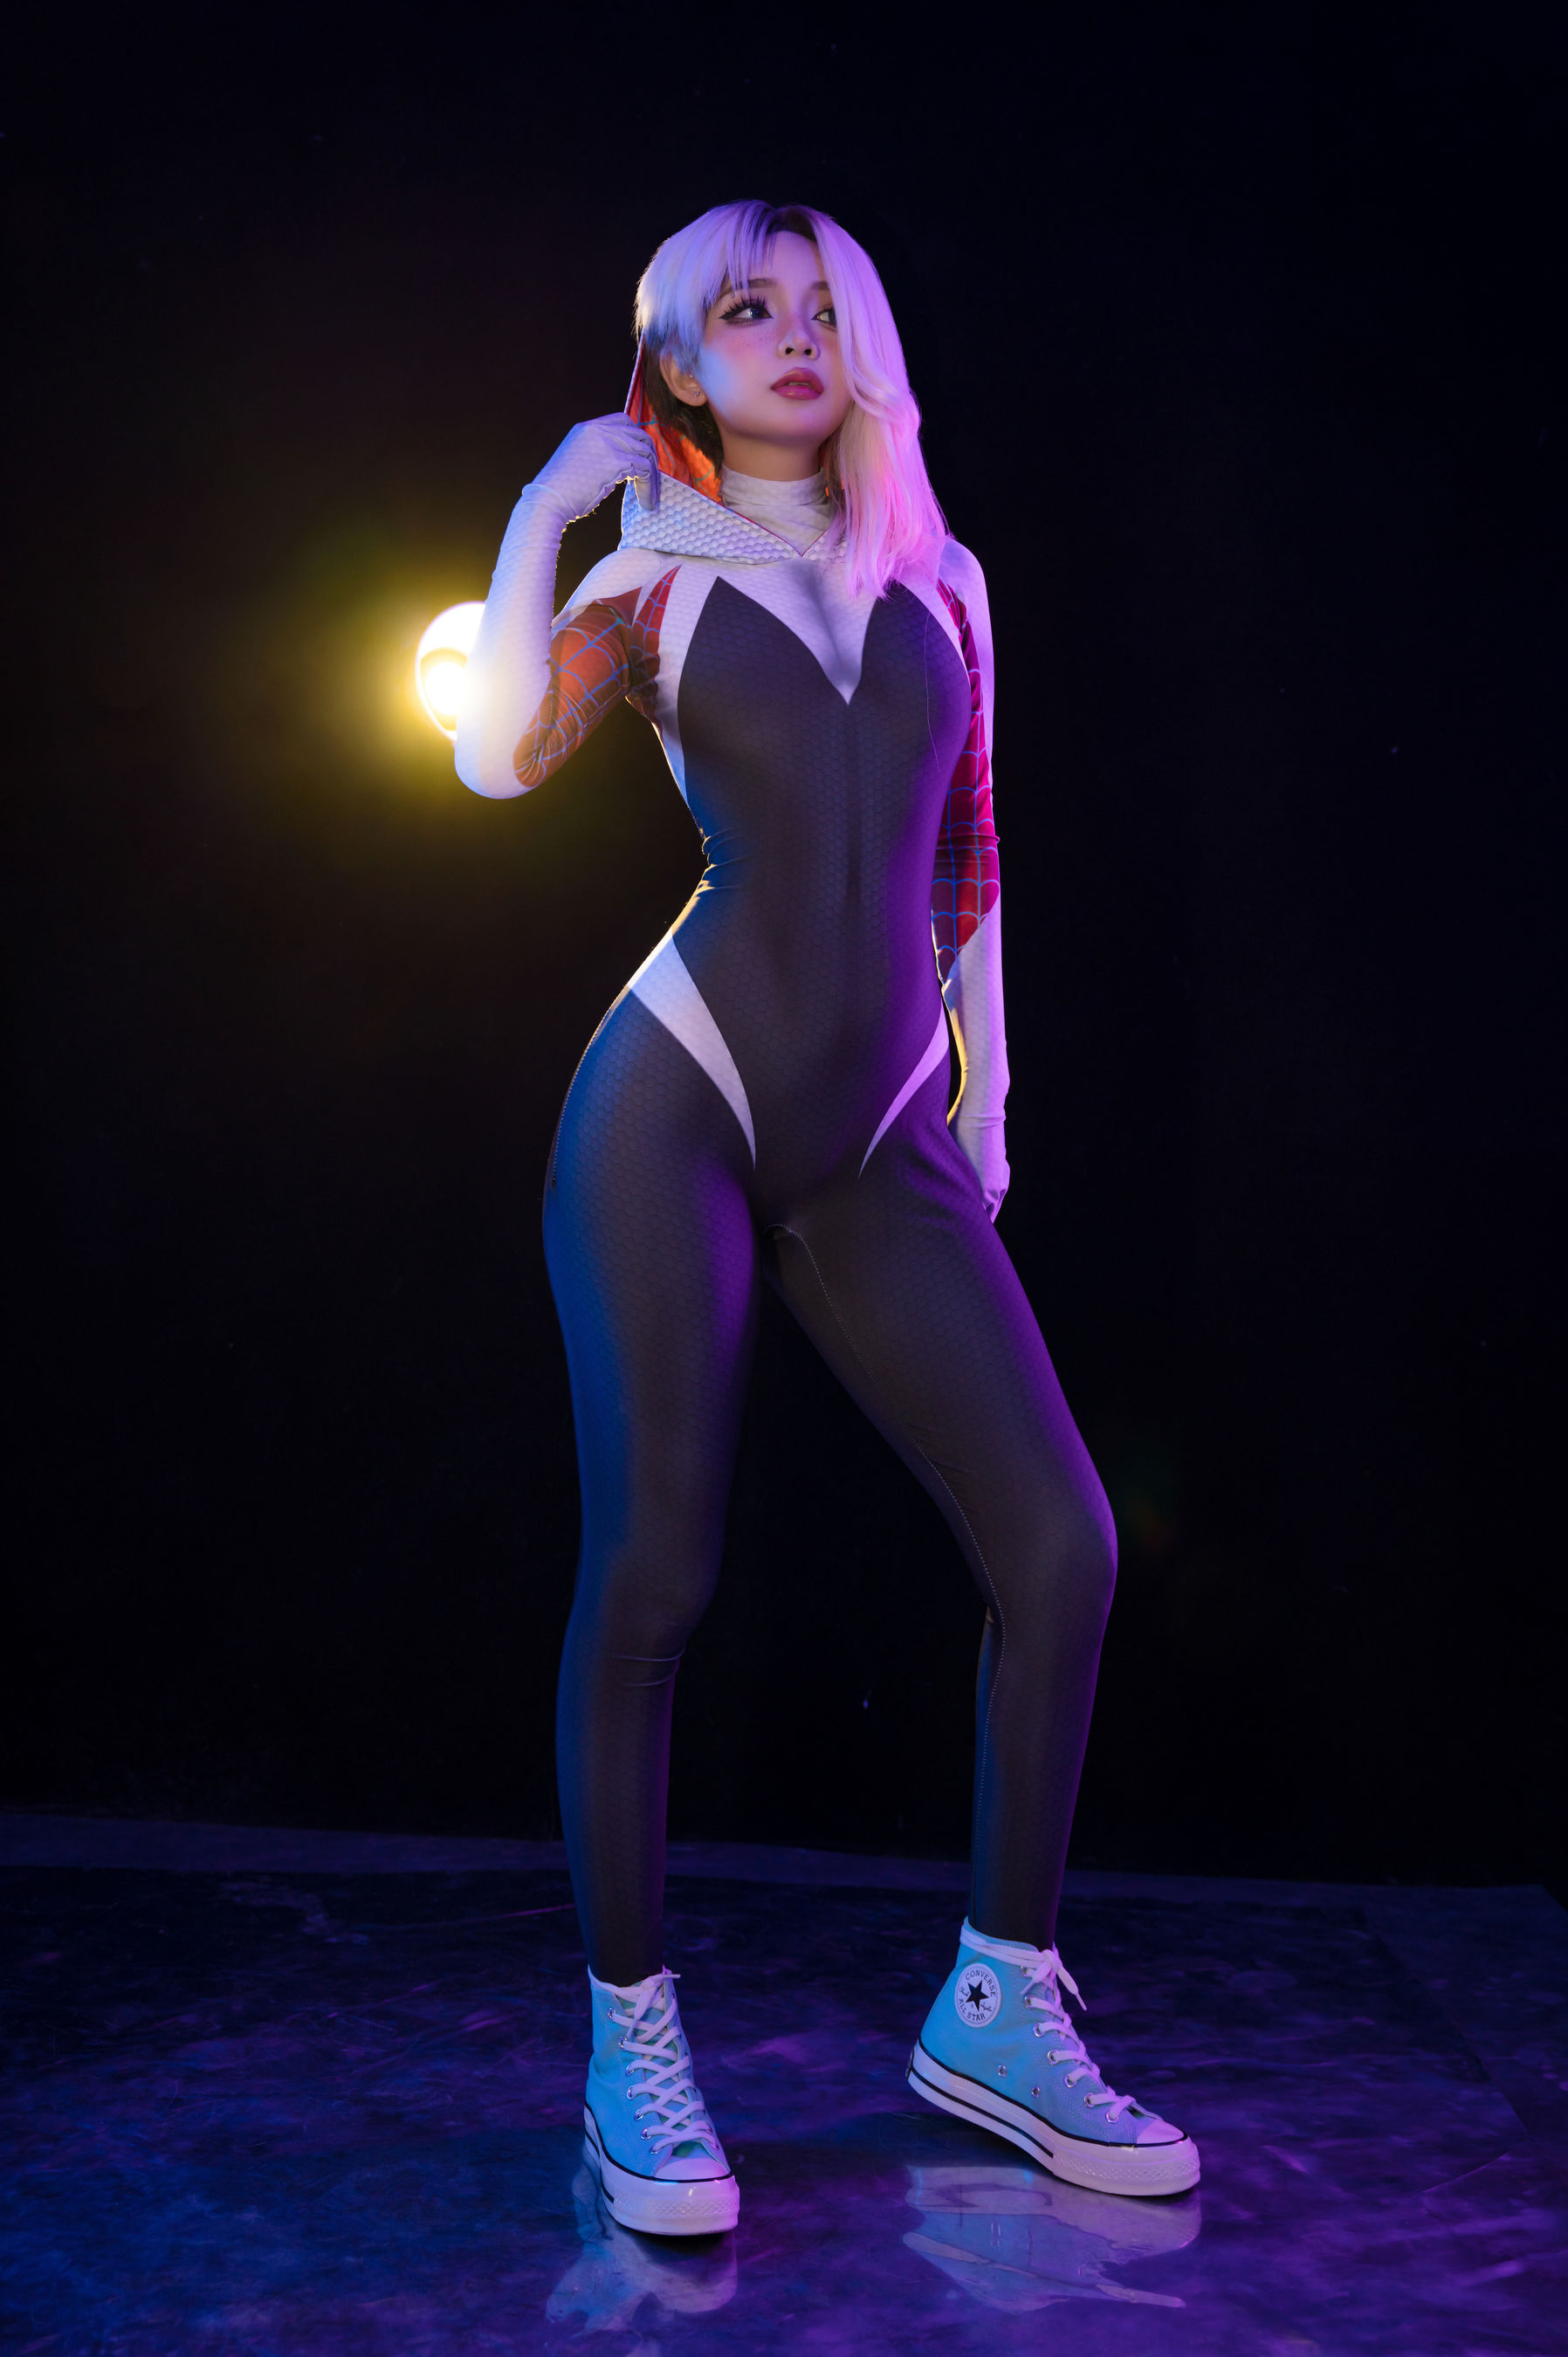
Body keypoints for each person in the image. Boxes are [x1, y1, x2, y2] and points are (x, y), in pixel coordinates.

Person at [455, 200, 1199, 2235]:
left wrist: (991, 1105)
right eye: (741, 311)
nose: (790, 336)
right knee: (658, 1572)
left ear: (862, 340)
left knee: (1062, 1545)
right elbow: (494, 760)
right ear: (679, 367)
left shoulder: (943, 579)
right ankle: (630, 2044)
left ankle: (1000, 2010)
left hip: (886, 1132)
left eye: (817, 307)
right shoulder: (649, 585)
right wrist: (544, 513)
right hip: (673, 1108)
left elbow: (968, 868)